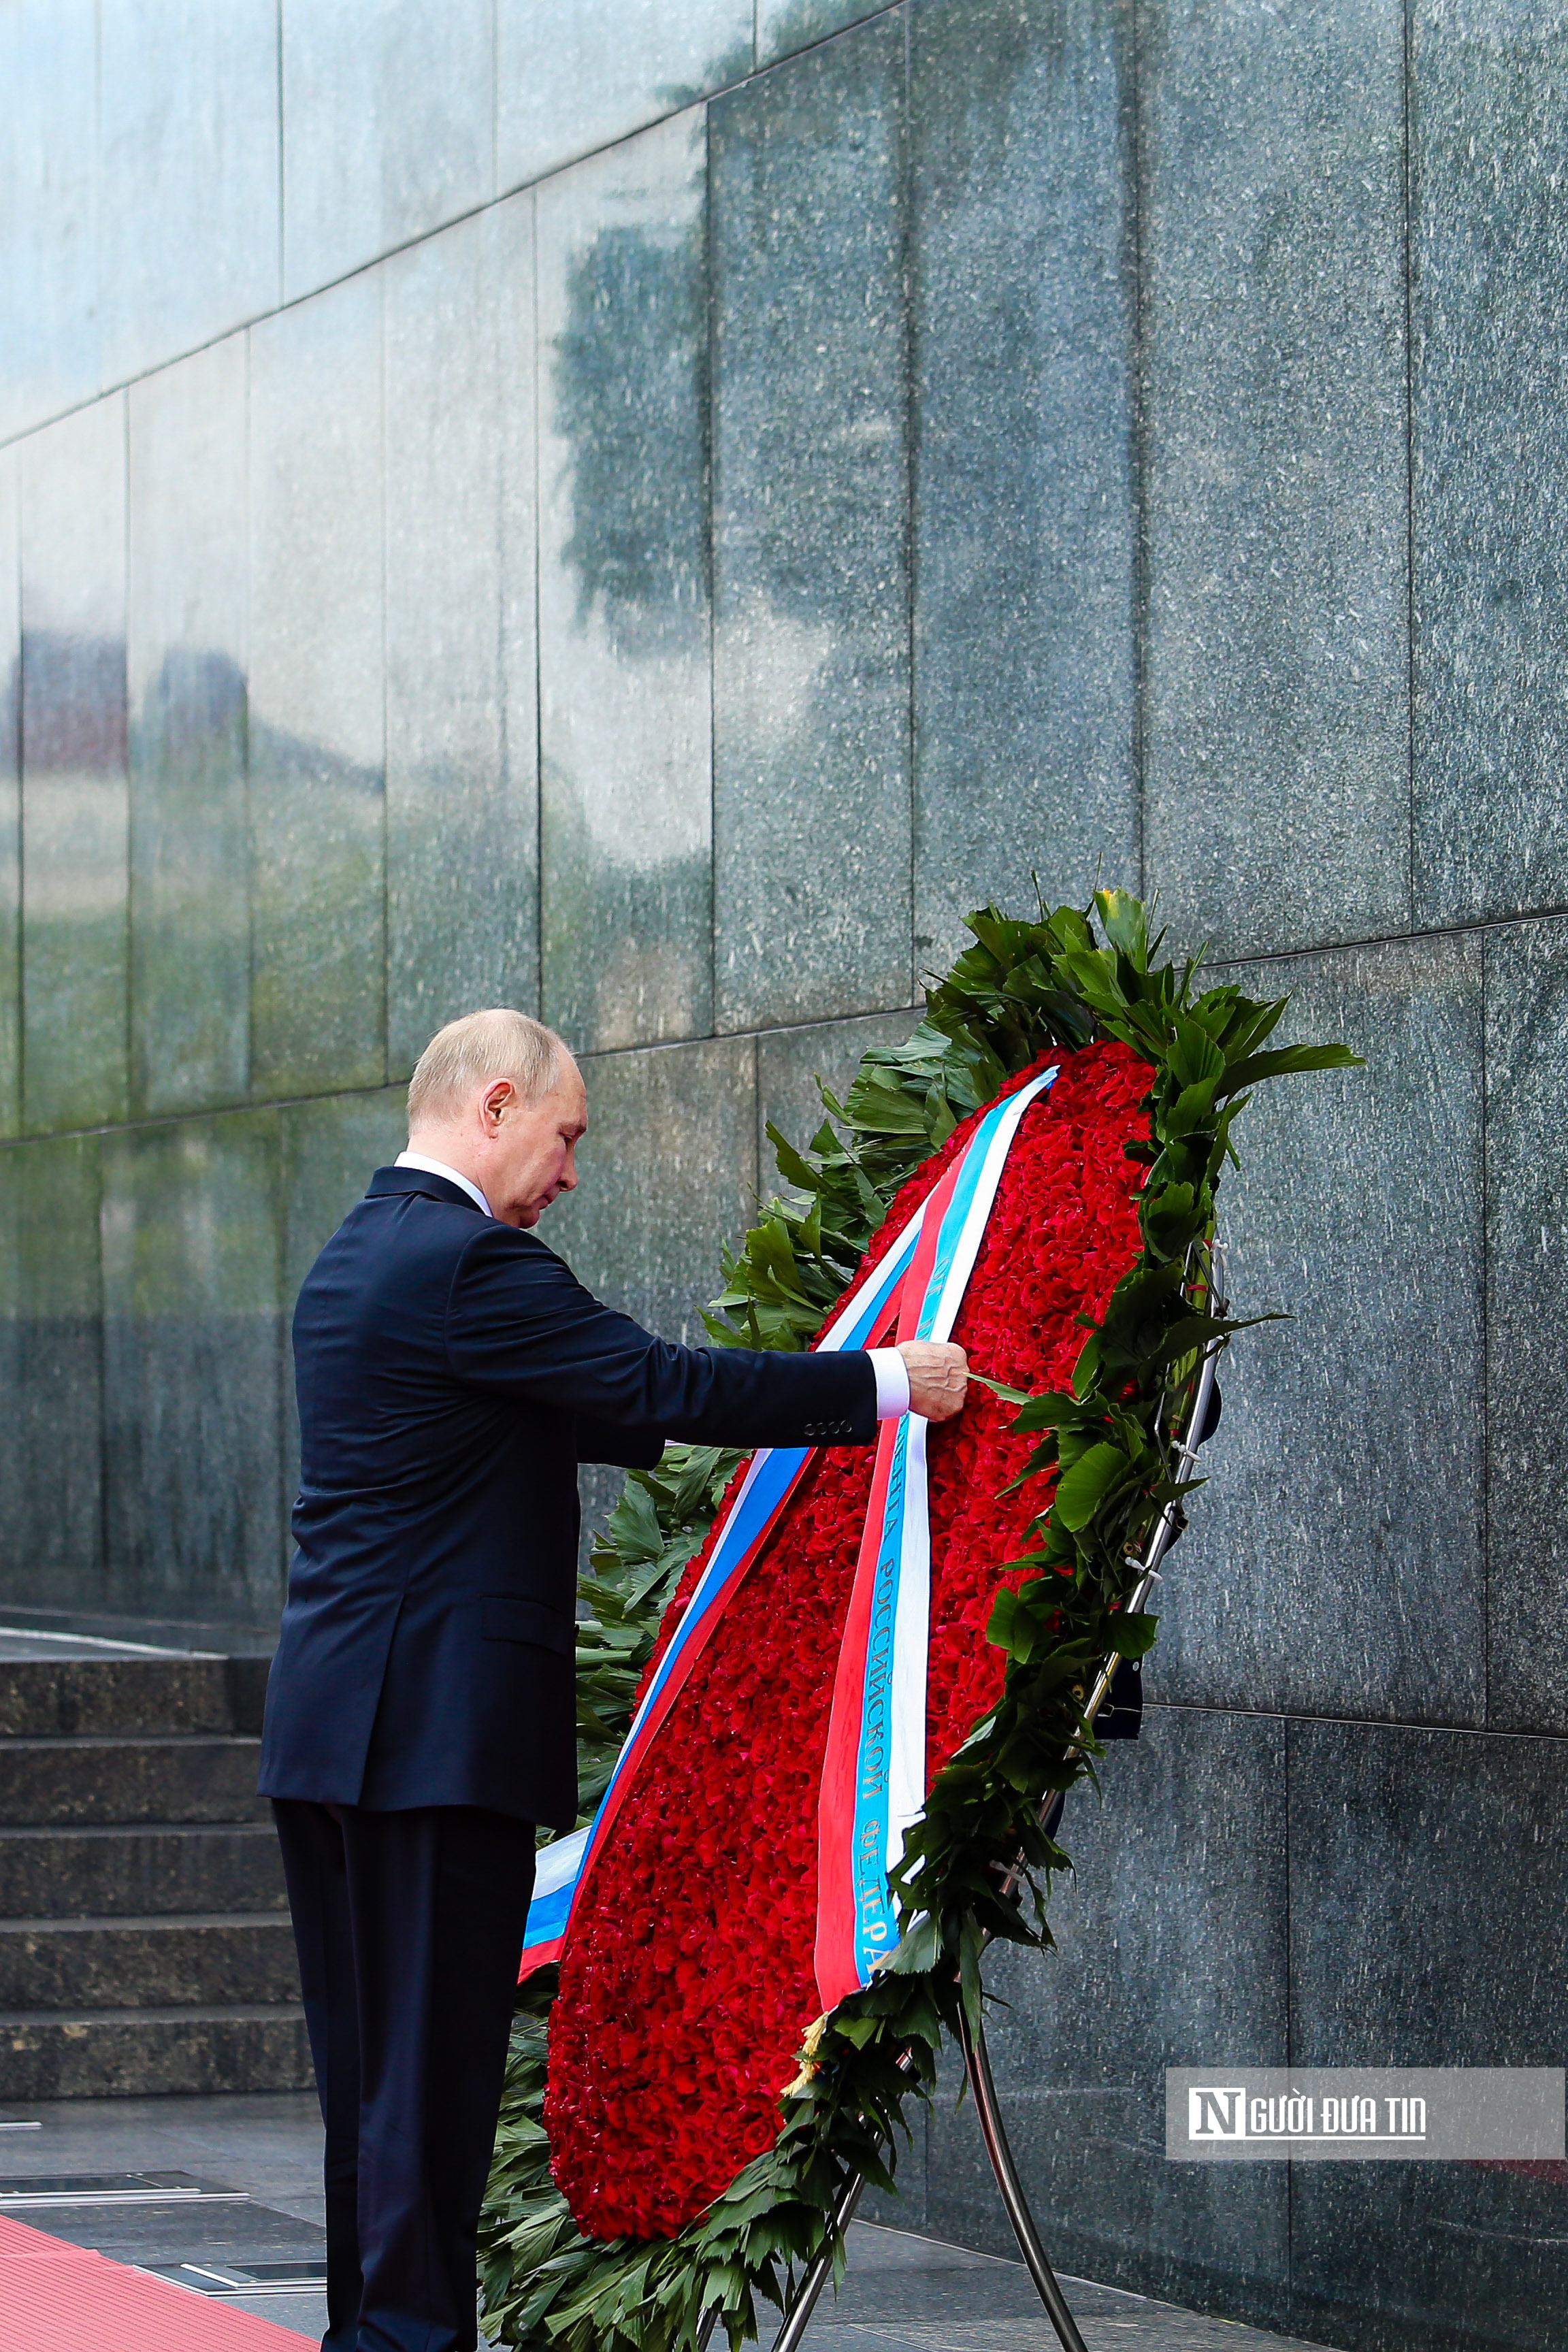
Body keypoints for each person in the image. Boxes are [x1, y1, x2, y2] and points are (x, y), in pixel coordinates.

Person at [258, 1008, 969, 2352]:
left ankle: (373, 2336)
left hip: (329, 1734)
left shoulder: (355, 1261)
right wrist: (881, 1376)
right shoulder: (473, 1266)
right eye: (566, 1135)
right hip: (431, 1741)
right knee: (432, 2085)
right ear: (498, 1103)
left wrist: (723, 1403)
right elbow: (653, 1380)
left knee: (371, 2086)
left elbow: (596, 1410)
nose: (571, 1170)